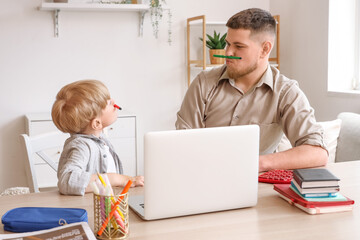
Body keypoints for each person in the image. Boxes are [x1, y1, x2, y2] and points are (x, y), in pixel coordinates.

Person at [176, 8, 328, 172]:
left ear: (265, 49)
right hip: (205, 178)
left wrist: (257, 163)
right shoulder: (203, 83)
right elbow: (184, 145)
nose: (228, 52)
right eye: (228, 44)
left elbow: (317, 152)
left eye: (239, 46)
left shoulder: (286, 92)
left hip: (257, 188)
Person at [52, 80, 144, 195]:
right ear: (96, 124)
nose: (113, 102)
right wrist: (117, 179)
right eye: (109, 103)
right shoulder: (81, 146)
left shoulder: (100, 138)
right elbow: (67, 181)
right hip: (93, 209)